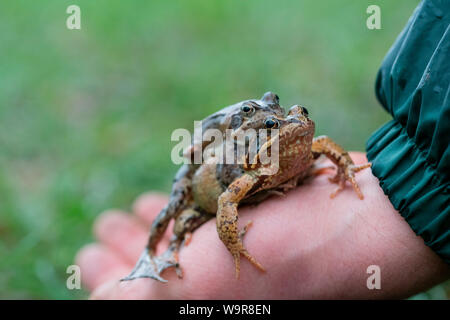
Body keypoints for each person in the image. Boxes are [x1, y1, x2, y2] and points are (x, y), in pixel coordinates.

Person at [75, 0, 449, 299]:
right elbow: (224, 201)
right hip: (210, 188)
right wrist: (233, 245)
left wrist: (347, 170)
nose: (294, 123)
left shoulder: (304, 140)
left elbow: (322, 144)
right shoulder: (251, 164)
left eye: (298, 115)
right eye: (273, 124)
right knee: (179, 206)